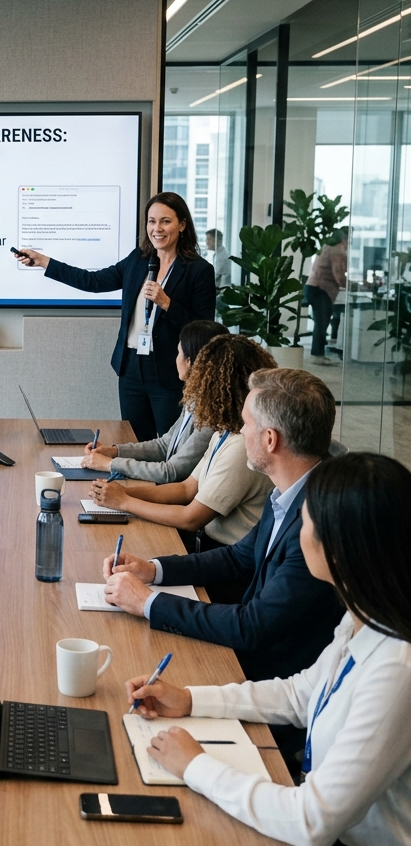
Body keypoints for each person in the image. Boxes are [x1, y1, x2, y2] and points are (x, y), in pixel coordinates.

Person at [126, 453, 411, 846]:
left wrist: (195, 765)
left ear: (339, 547)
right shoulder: (363, 616)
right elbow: (300, 695)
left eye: (307, 520)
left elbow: (311, 820)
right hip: (334, 841)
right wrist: (191, 699)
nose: (299, 528)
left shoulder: (397, 669)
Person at [101, 367, 345, 688]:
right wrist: (153, 569)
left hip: (272, 677)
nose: (240, 431)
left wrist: (147, 602)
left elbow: (252, 627)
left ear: (270, 439)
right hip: (255, 654)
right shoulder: (290, 489)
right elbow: (237, 558)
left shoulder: (316, 521)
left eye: (246, 424)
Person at [17, 192, 216, 442]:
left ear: (182, 225)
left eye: (165, 221)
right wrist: (45, 262)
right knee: (134, 440)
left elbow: (205, 329)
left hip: (169, 370)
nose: (157, 228)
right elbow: (93, 281)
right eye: (152, 221)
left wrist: (167, 303)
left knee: (171, 444)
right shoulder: (138, 260)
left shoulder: (199, 270)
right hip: (131, 367)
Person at [89, 335, 276, 550]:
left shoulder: (241, 446)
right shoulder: (224, 432)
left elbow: (190, 518)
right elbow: (186, 489)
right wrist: (119, 492)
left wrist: (124, 502)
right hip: (211, 545)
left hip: (224, 552)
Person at [80, 319, 227, 483]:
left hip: (175, 493)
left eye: (179, 352)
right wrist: (114, 451)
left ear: (191, 361)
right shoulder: (196, 398)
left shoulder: (212, 414)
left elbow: (171, 472)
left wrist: (110, 464)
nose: (175, 359)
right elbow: (164, 445)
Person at [305, 229, 348, 365]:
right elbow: (338, 274)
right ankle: (317, 355)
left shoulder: (326, 246)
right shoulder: (337, 250)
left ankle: (318, 353)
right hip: (321, 289)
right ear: (344, 239)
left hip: (312, 287)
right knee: (322, 323)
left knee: (320, 322)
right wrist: (351, 286)